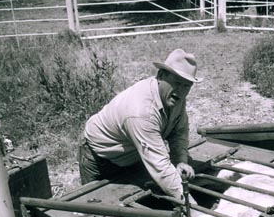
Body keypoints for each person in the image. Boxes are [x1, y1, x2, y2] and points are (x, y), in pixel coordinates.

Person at [78, 48, 202, 202]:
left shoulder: (176, 98)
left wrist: (180, 160)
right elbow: (160, 166)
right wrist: (191, 205)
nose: (181, 91)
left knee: (136, 199)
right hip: (99, 156)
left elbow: (179, 131)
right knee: (95, 210)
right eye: (177, 83)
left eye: (186, 86)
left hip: (133, 154)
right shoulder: (141, 111)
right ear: (161, 76)